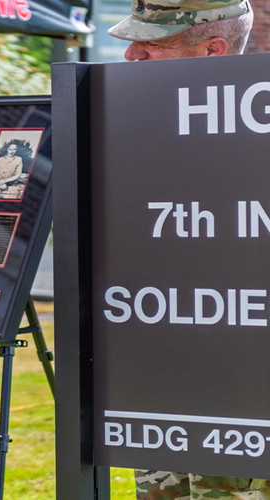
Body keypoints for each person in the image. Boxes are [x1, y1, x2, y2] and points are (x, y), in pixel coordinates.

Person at [107, 2, 268, 499]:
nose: (131, 54)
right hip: (167, 400)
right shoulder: (132, 134)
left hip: (245, 404)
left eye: (151, 45)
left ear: (212, 51)